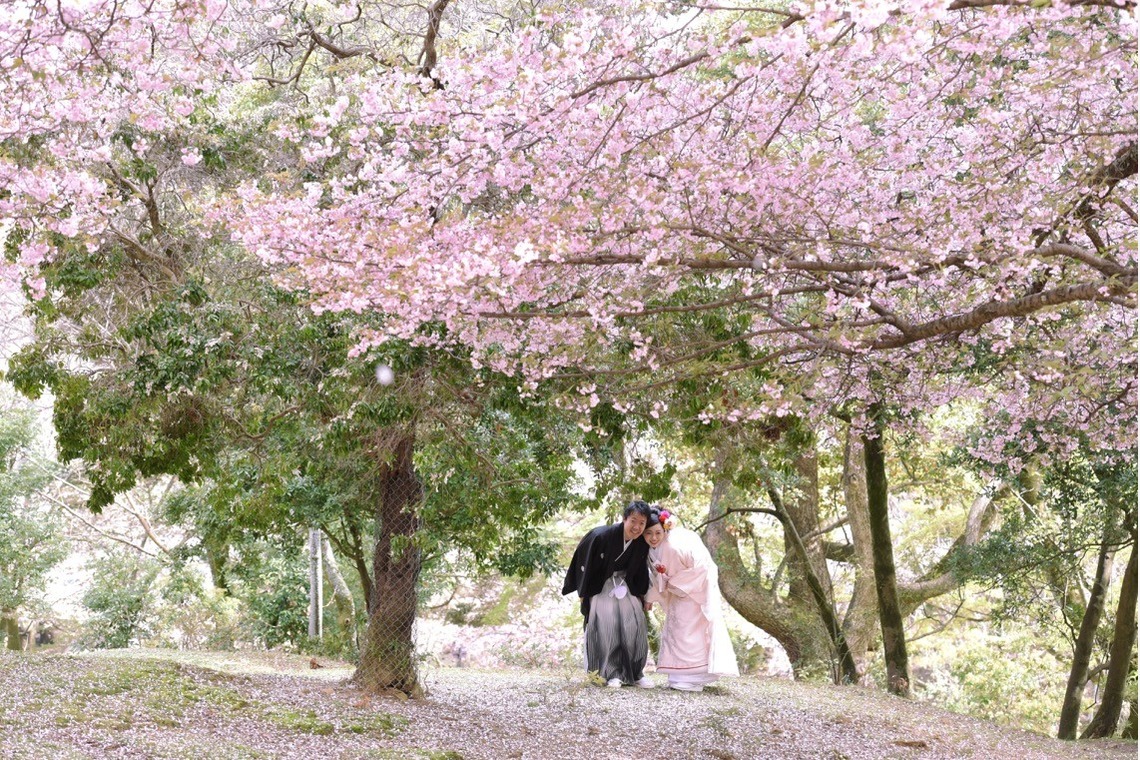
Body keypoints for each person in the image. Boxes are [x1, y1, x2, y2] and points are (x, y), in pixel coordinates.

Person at [643, 507, 739, 692]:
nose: (653, 537)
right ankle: (680, 677)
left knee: (689, 632)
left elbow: (701, 566)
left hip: (694, 590)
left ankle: (692, 677)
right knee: (678, 631)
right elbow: (658, 577)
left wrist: (677, 584)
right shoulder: (652, 549)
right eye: (648, 533)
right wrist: (652, 596)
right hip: (678, 590)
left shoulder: (676, 543)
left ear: (666, 529)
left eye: (657, 532)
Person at [562, 500, 655, 688]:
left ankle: (635, 672)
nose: (637, 527)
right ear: (624, 519)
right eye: (633, 521)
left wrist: (643, 595)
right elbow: (584, 562)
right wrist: (584, 592)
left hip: (624, 584)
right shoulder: (600, 536)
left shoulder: (640, 543)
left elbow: (640, 571)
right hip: (600, 585)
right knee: (607, 623)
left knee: (635, 622)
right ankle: (610, 672)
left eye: (642, 523)